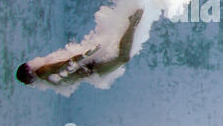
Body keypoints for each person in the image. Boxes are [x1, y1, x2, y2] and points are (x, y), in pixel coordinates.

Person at [16, 9, 144, 86]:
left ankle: (133, 22)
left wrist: (84, 55)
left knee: (123, 58)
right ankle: (131, 24)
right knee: (121, 57)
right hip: (89, 71)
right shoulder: (44, 78)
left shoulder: (42, 72)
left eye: (26, 81)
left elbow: (65, 66)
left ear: (29, 73)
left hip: (90, 68)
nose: (28, 84)